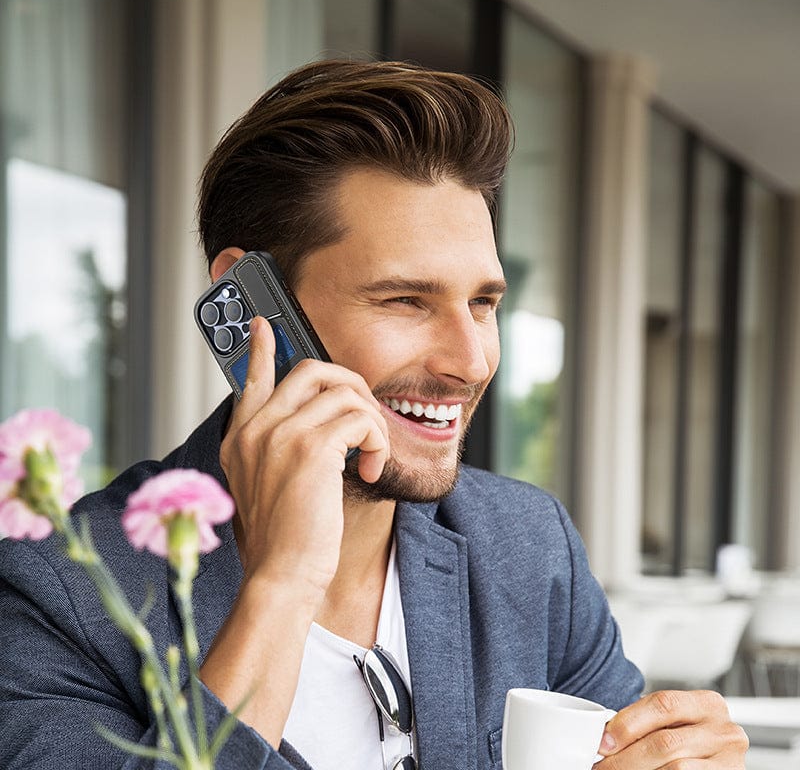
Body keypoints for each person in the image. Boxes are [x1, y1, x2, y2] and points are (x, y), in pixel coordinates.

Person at [0, 60, 747, 770]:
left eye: (483, 304)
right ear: (251, 302)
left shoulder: (527, 549)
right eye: (405, 300)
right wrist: (282, 582)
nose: (472, 360)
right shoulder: (60, 594)